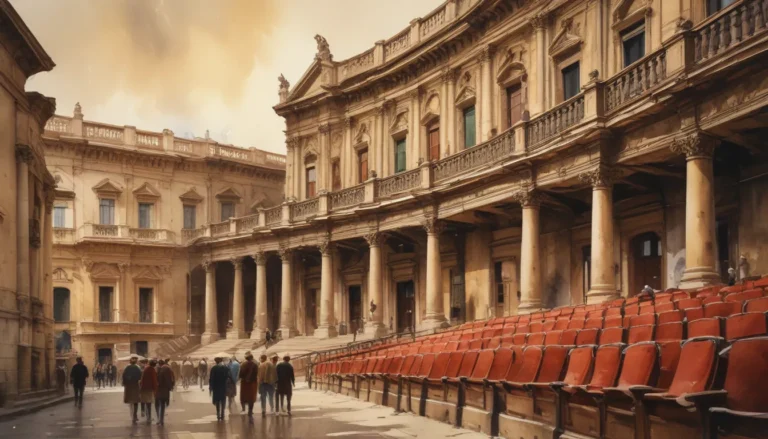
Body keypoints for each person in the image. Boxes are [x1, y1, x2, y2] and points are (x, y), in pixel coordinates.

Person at [122, 355, 142, 423]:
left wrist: (125, 383)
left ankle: (132, 415)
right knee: (135, 401)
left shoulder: (127, 368)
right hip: (135, 385)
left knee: (130, 402)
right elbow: (140, 377)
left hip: (129, 386)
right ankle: (135, 415)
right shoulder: (138, 368)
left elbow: (124, 376)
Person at [140, 359, 159, 425]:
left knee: (146, 402)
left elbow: (142, 379)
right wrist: (155, 390)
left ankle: (147, 416)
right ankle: (149, 418)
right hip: (149, 389)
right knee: (149, 403)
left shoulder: (146, 369)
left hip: (144, 388)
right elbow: (154, 381)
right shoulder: (152, 370)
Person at [156, 359, 174, 426]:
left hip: (158, 389)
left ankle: (159, 419)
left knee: (159, 404)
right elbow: (169, 379)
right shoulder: (167, 369)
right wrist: (170, 387)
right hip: (164, 389)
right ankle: (161, 420)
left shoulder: (158, 369)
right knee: (163, 404)